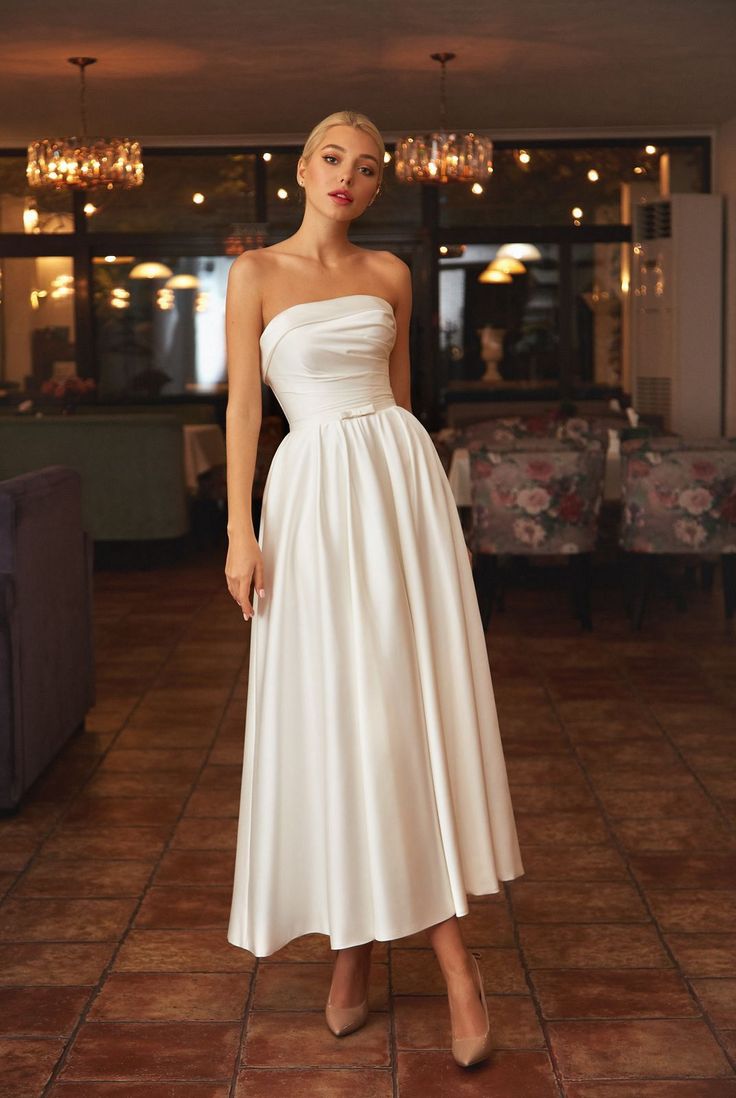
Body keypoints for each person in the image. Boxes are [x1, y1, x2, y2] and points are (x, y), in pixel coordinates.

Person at [224, 109, 524, 1069]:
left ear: (377, 185)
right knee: (338, 718)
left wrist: (425, 518)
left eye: (365, 169)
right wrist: (242, 532)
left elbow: (398, 402)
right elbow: (242, 409)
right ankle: (352, 950)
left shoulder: (391, 274)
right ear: (303, 168)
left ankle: (451, 965)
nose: (346, 178)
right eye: (332, 161)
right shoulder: (255, 273)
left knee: (404, 712)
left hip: (397, 494)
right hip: (308, 501)